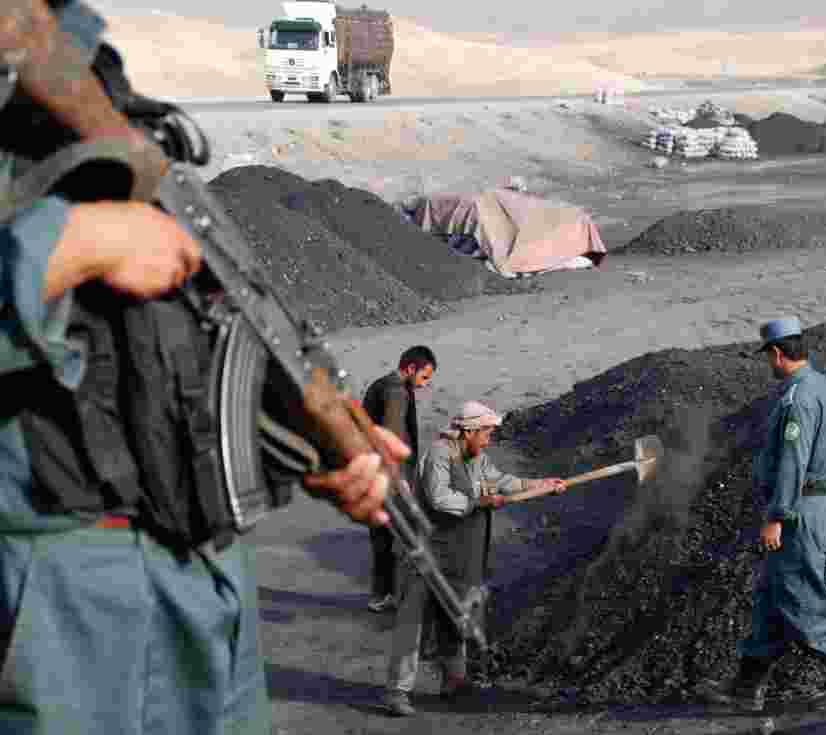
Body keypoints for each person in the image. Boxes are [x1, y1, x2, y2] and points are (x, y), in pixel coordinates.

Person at [0, 3, 404, 733]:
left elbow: (169, 337)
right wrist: (68, 246)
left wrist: (306, 440)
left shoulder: (89, 72)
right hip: (57, 618)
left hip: (200, 589)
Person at [696, 317, 826, 713]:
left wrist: (777, 515)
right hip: (809, 503)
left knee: (798, 588)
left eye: (768, 357)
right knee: (772, 594)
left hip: (798, 509)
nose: (769, 365)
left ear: (777, 353)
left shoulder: (798, 398)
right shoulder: (823, 385)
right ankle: (747, 685)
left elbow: (794, 460)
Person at [383, 400, 566, 716]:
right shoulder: (439, 454)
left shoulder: (476, 458)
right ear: (469, 431)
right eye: (486, 433)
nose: (489, 440)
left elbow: (501, 481)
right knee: (412, 624)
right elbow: (441, 499)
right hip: (425, 554)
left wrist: (542, 485)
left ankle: (453, 681)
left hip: (459, 556)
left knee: (454, 619)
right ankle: (397, 691)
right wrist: (481, 501)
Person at [362, 345, 437, 613]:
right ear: (411, 368)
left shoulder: (381, 385)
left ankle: (382, 595)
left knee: (382, 538)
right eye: (424, 377)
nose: (424, 384)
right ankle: (403, 596)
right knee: (407, 536)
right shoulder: (396, 392)